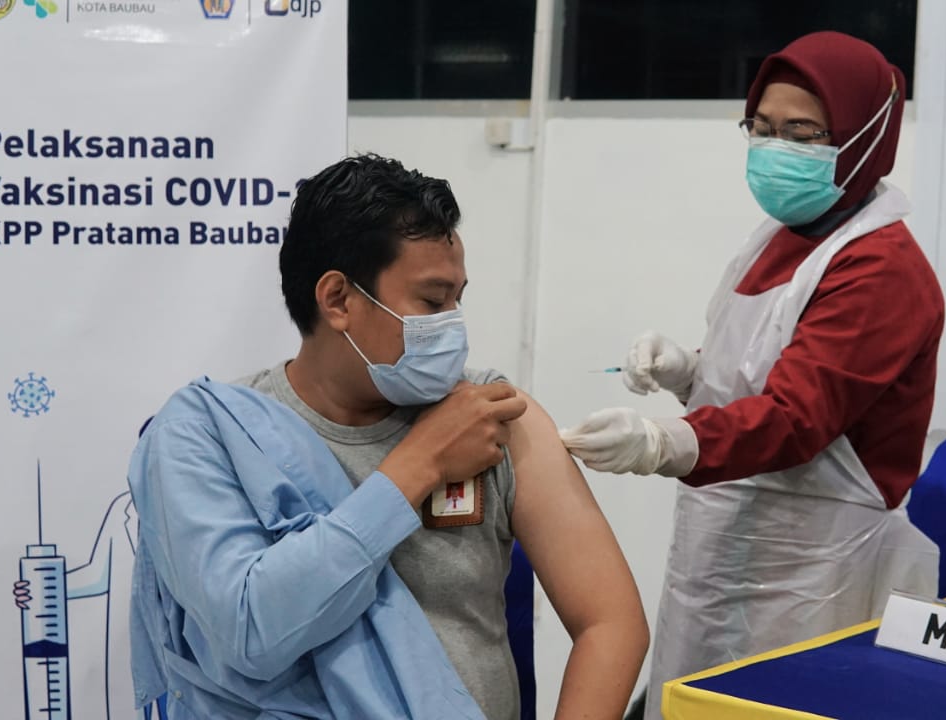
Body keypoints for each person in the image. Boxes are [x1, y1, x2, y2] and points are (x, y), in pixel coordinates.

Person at [128, 154, 649, 719]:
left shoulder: (492, 415)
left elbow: (611, 622)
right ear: (338, 300)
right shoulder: (208, 435)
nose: (452, 324)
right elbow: (251, 631)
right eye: (432, 301)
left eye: (458, 299)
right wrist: (417, 466)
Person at [559, 31, 944, 716]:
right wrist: (689, 371)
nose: (774, 149)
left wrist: (661, 442)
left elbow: (797, 418)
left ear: (862, 138)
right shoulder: (782, 235)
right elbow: (759, 375)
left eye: (801, 133)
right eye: (761, 128)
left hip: (815, 569)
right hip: (726, 545)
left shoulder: (881, 267)